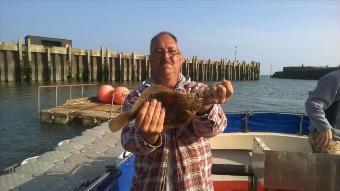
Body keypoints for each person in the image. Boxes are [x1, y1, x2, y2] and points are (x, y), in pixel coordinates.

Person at [115, 31, 233, 191]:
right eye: (158, 52)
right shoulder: (136, 97)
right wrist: (147, 136)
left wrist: (205, 107)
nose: (166, 56)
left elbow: (214, 129)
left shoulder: (199, 90)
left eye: (172, 51)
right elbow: (128, 141)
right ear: (150, 60)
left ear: (181, 59)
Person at [305, 70, 340, 153]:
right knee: (330, 166)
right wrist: (324, 128)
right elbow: (312, 104)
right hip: (330, 140)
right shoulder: (334, 78)